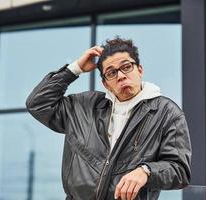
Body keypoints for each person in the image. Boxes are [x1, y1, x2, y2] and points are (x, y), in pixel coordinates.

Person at [26, 37, 191, 200]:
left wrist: (146, 171)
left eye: (126, 67)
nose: (120, 76)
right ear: (106, 84)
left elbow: (180, 171)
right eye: (111, 72)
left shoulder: (167, 113)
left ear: (140, 70)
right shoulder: (83, 106)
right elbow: (37, 104)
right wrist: (74, 69)